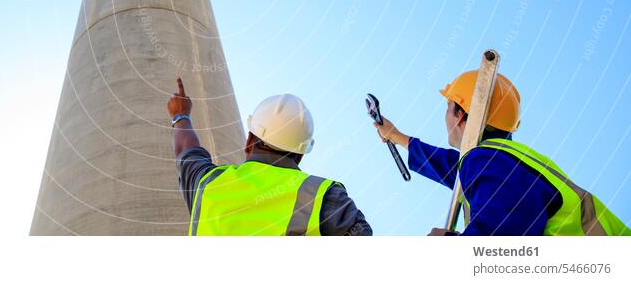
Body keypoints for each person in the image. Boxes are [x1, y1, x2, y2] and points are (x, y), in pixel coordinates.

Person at [374, 69, 630, 236]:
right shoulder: (501, 159)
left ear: (461, 115)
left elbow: (501, 237)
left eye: (448, 107)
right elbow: (457, 169)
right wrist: (398, 137)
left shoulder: (489, 162)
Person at [167, 77, 372, 236]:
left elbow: (187, 151)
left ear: (249, 141)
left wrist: (180, 115)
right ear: (300, 155)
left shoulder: (209, 184)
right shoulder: (322, 195)